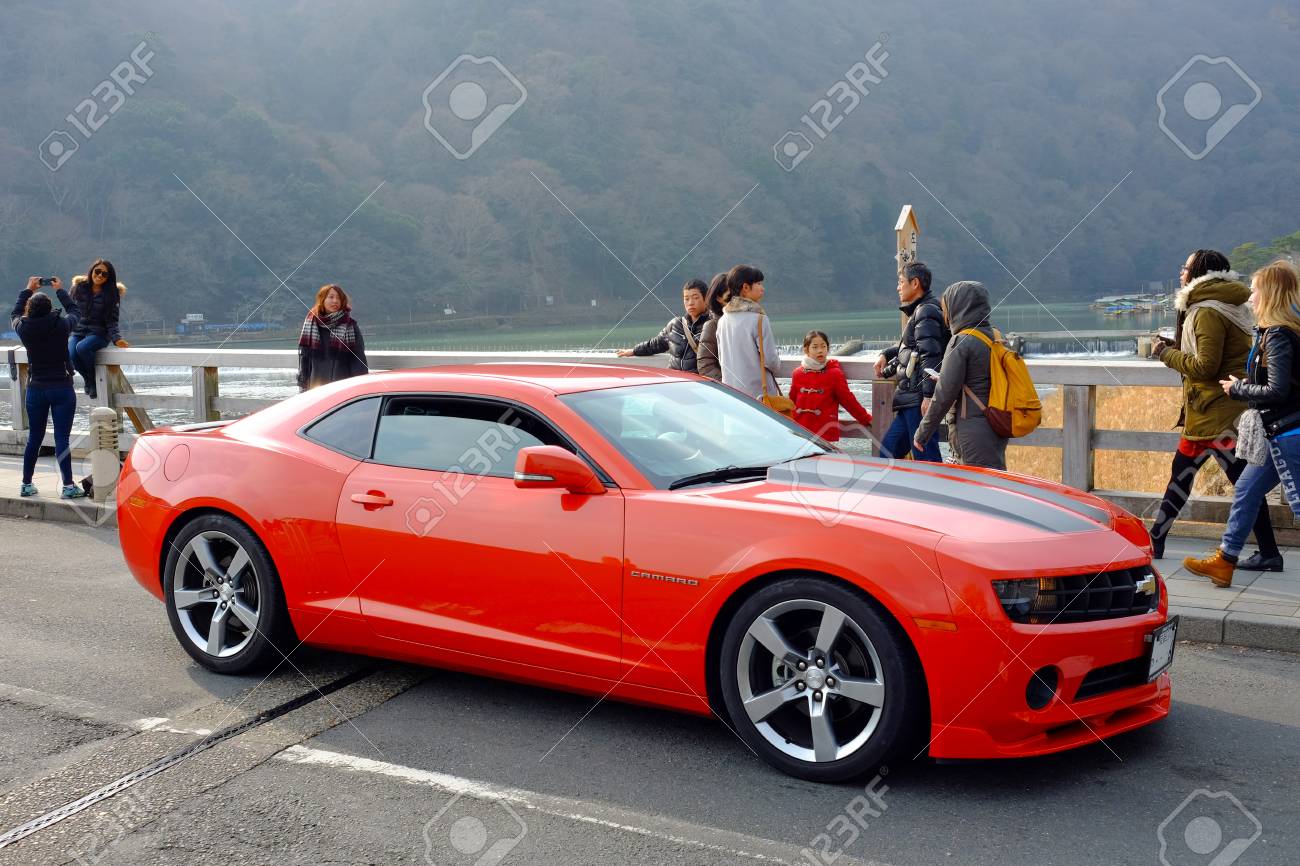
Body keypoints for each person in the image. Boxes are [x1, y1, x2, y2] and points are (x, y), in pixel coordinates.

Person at [1147, 250, 1278, 564]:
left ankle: (1156, 542)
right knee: (1230, 482)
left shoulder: (1206, 310)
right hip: (1215, 412)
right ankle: (1156, 540)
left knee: (1233, 483)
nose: (1181, 272)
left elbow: (1205, 366)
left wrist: (1165, 353)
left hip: (1217, 414)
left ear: (1199, 272)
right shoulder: (1231, 304)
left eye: (1186, 267)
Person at [1183, 261, 1300, 586]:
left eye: (1257, 289)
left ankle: (1227, 559)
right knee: (1247, 490)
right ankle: (1225, 560)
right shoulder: (1277, 332)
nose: (1251, 296)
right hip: (1277, 432)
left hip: (1288, 433)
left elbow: (1276, 390)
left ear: (1271, 294)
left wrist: (1238, 388)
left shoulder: (1277, 336)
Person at [912, 281, 1007, 470]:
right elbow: (980, 378)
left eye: (946, 307)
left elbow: (944, 394)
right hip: (995, 424)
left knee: (977, 490)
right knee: (994, 486)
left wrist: (922, 433)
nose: (945, 314)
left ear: (958, 307)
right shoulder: (994, 336)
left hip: (972, 430)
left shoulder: (961, 341)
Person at [12, 276, 86, 499]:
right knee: (61, 438)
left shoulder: (24, 328)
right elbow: (75, 312)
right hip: (62, 388)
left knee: (35, 437)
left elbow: (14, 314)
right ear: (50, 308)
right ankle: (68, 486)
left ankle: (26, 484)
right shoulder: (61, 325)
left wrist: (27, 290)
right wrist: (61, 291)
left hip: (36, 389)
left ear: (29, 309)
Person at [874, 262, 947, 461]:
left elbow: (931, 353)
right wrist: (886, 354)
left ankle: (934, 491)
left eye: (900, 282)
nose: (898, 287)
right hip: (910, 398)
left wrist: (928, 395)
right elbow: (913, 346)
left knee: (926, 458)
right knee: (888, 453)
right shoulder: (922, 310)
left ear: (915, 284)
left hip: (917, 398)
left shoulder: (926, 311)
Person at [715, 265, 781, 401]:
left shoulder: (722, 321)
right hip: (758, 395)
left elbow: (722, 359)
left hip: (732, 393)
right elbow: (771, 360)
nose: (762, 288)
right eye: (758, 284)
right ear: (745, 287)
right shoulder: (759, 319)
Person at [792, 330, 872, 441]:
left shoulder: (834, 373)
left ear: (828, 348)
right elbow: (791, 402)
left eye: (823, 346)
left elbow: (848, 400)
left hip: (823, 430)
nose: (820, 351)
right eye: (815, 347)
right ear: (806, 349)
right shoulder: (797, 373)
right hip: (799, 429)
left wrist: (865, 418)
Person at [616, 279, 708, 371]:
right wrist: (634, 351)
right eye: (686, 298)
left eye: (695, 298)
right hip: (676, 380)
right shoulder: (676, 325)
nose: (690, 303)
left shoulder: (713, 325)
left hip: (700, 382)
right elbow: (656, 344)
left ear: (706, 299)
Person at [68, 259, 128, 399]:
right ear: (92, 271)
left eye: (105, 274)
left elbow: (112, 320)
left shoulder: (112, 294)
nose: (100, 275)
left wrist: (117, 339)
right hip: (78, 331)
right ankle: (90, 380)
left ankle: (91, 381)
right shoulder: (78, 288)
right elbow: (70, 310)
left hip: (99, 333)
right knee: (71, 354)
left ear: (109, 277)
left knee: (82, 348)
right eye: (97, 271)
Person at [297, 284, 369, 391]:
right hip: (315, 387)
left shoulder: (350, 325)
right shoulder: (311, 323)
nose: (335, 301)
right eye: (331, 297)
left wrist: (360, 388)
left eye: (338, 298)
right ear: (322, 299)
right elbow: (304, 358)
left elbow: (358, 360)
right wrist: (303, 386)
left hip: (343, 388)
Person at [696, 272, 728, 381]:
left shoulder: (745, 321)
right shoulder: (712, 326)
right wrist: (730, 384)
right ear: (718, 297)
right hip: (730, 392)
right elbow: (705, 366)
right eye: (731, 294)